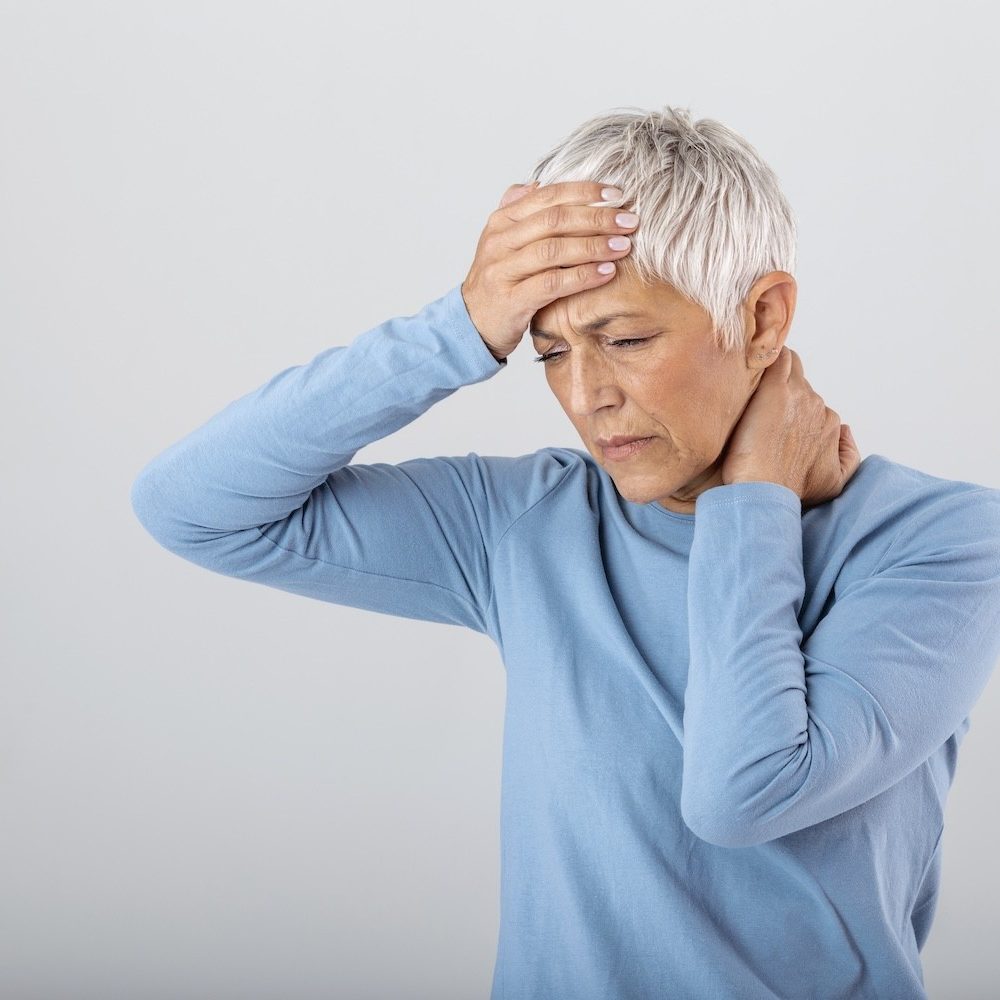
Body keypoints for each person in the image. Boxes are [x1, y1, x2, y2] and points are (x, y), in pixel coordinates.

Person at [130, 105, 1000, 999]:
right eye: (548, 352)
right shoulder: (528, 521)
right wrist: (458, 326)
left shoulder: (945, 542)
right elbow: (192, 507)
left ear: (765, 315)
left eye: (624, 341)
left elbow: (743, 793)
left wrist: (753, 504)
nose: (586, 396)